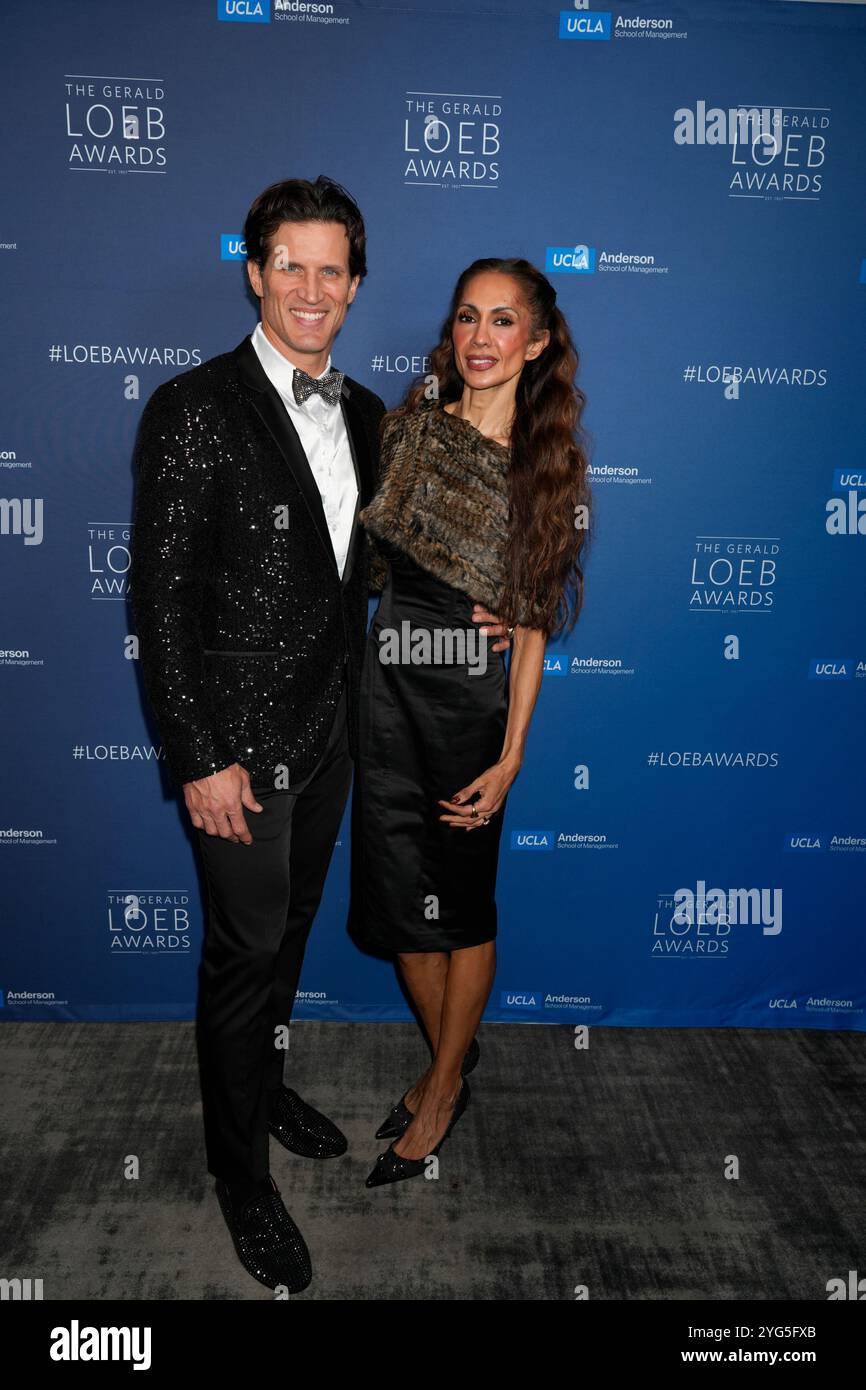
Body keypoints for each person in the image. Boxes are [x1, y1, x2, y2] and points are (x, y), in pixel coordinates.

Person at [350, 257, 591, 1187]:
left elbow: (529, 630)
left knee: (461, 903)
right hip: (387, 685)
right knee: (404, 907)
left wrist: (513, 754)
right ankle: (451, 1056)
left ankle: (444, 1084)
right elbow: (369, 564)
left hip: (468, 700)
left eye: (502, 322)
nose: (480, 338)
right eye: (466, 318)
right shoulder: (406, 430)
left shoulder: (546, 471)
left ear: (534, 343)